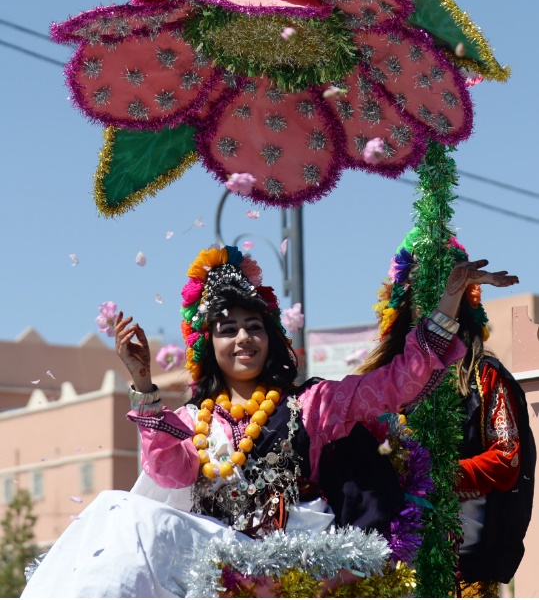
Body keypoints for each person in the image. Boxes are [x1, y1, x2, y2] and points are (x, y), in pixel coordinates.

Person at [22, 244, 518, 598]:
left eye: (254, 327)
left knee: (127, 518)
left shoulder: (313, 404)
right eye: (228, 329)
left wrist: (448, 304)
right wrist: (144, 384)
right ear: (209, 346)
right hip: (213, 568)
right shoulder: (193, 420)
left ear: (271, 339)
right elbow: (168, 474)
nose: (242, 339)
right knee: (115, 511)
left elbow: (397, 383)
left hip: (291, 568)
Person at [358, 230, 535, 598]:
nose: (438, 299)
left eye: (448, 287)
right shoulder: (382, 384)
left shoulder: (485, 375)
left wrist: (433, 477)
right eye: (424, 289)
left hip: (464, 572)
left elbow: (508, 457)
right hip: (390, 572)